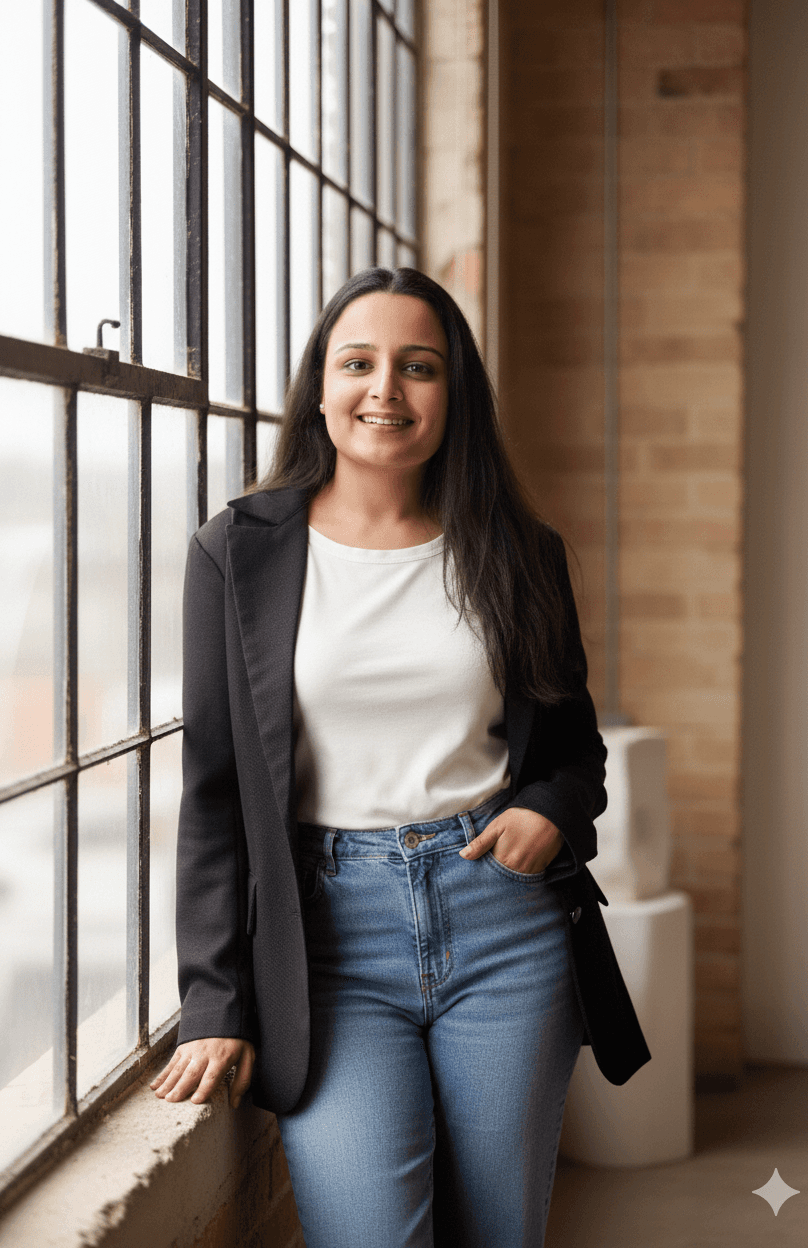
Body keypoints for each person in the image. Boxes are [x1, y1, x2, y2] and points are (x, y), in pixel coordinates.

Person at [151, 267, 650, 1247]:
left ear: (453, 392)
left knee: (497, 1232)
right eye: (358, 363)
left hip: (503, 922)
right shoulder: (237, 552)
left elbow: (573, 749)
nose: (385, 389)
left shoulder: (518, 552)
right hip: (324, 946)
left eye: (418, 367)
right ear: (319, 387)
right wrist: (213, 1000)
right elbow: (213, 792)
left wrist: (549, 810)